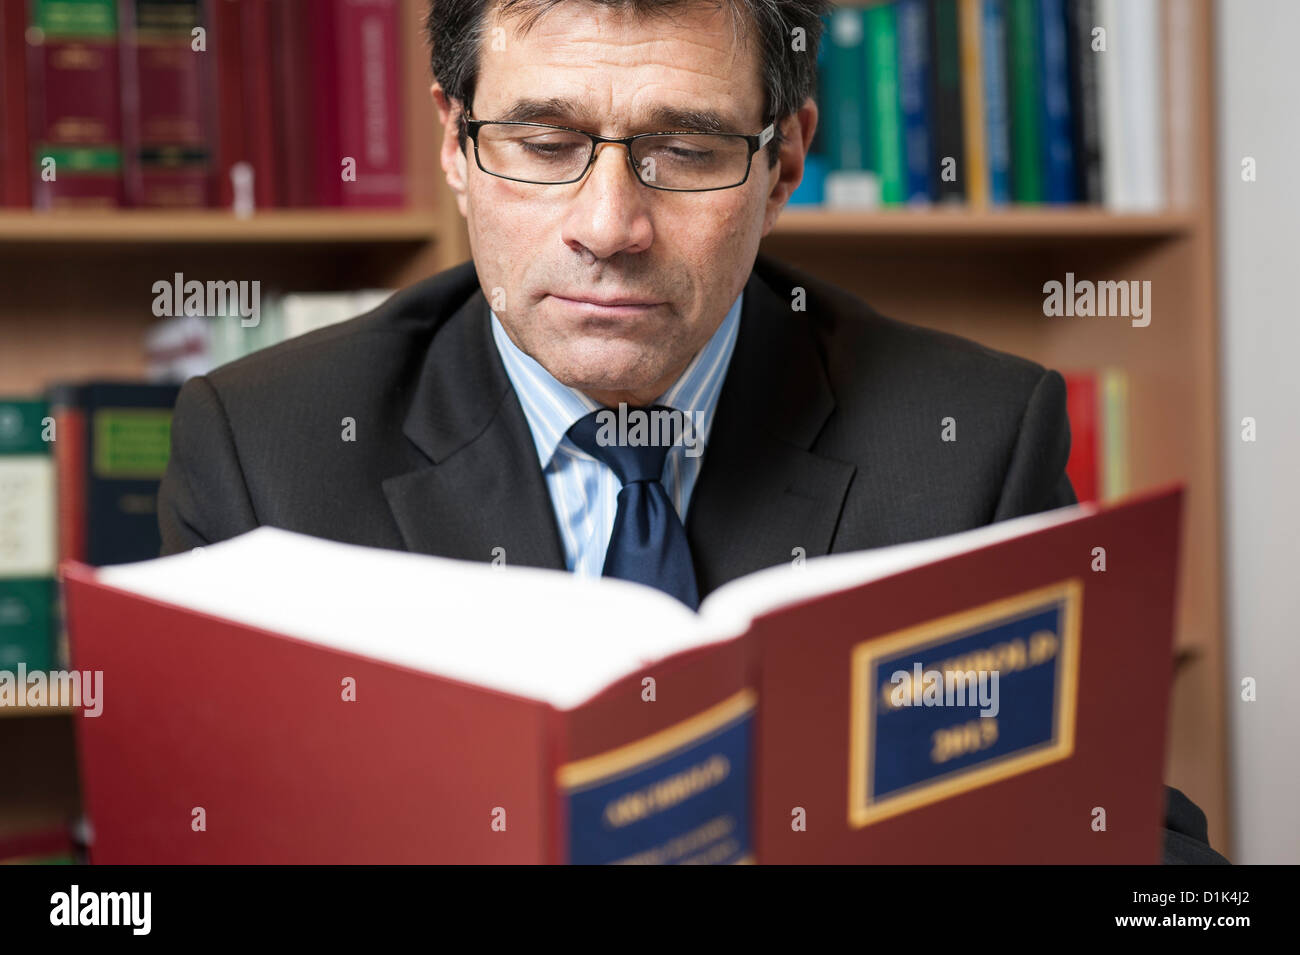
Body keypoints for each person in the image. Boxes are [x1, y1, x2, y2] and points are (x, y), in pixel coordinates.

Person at [157, 0, 1226, 864]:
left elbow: (1124, 840)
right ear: (453, 141)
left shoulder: (971, 442)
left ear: (785, 161)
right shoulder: (265, 449)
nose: (609, 226)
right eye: (541, 143)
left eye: (686, 149)